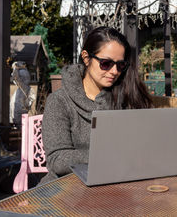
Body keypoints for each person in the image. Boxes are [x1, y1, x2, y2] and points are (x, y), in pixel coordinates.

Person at [40, 26, 152, 184]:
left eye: (120, 65)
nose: (114, 71)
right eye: (106, 63)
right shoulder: (59, 101)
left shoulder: (128, 96)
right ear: (86, 58)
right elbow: (57, 160)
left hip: (119, 183)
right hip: (68, 186)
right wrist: (107, 155)